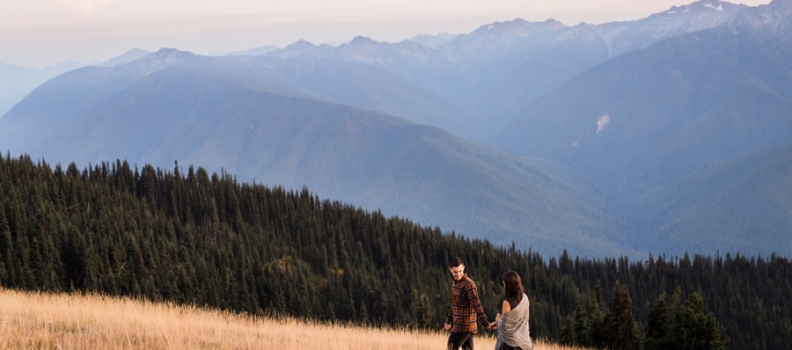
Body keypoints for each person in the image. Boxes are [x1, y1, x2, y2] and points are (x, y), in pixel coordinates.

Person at [444, 257, 493, 350]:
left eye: (460, 271)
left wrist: (486, 323)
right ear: (450, 270)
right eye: (455, 272)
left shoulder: (469, 284)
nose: (458, 274)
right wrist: (448, 320)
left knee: (450, 349)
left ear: (464, 268)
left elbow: (476, 305)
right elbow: (454, 305)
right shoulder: (456, 284)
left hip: (464, 327)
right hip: (463, 326)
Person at [491, 270, 534, 350]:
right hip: (523, 343)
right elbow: (513, 320)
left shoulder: (507, 302)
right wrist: (494, 323)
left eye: (504, 284)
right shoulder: (525, 298)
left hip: (509, 345)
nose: (504, 286)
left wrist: (497, 320)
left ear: (509, 285)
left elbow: (504, 327)